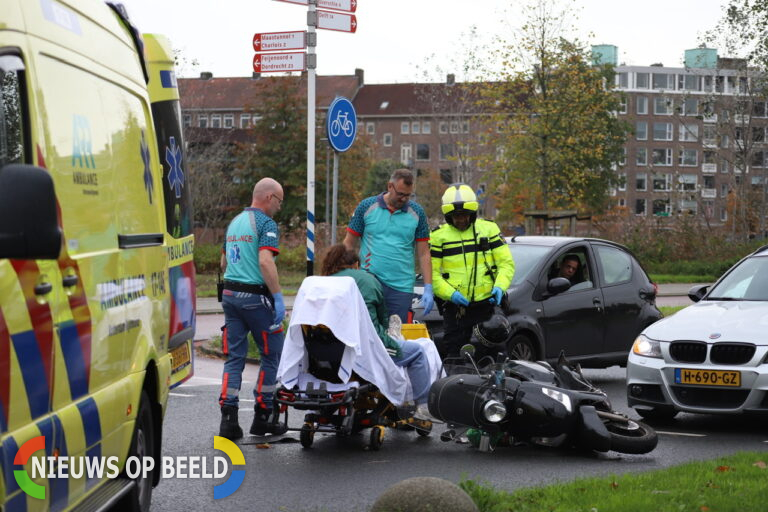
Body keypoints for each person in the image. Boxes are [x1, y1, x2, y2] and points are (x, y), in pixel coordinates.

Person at [320, 244, 436, 418]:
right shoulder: (366, 280)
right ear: (356, 265)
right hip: (363, 349)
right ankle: (423, 407)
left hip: (328, 350)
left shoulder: (323, 282)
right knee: (418, 352)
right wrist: (394, 345)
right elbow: (376, 330)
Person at [218, 177, 287, 440]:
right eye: (279, 201)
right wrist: (278, 297)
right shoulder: (266, 223)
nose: (279, 207)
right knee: (271, 355)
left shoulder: (234, 223)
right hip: (255, 299)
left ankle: (229, 419)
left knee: (234, 358)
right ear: (269, 197)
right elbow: (265, 261)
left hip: (230, 296)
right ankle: (263, 417)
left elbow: (224, 262)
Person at [430, 184, 515, 358]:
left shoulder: (489, 230)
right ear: (448, 216)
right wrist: (450, 294)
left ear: (473, 213)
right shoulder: (438, 237)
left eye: (465, 215)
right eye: (456, 216)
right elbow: (432, 274)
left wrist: (500, 286)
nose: (461, 220)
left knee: (497, 355)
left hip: (487, 307)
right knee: (455, 356)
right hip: (456, 310)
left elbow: (506, 264)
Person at [343, 168, 434, 323]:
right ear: (390, 186)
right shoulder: (366, 207)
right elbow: (348, 245)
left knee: (396, 337)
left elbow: (424, 253)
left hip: (401, 287)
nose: (404, 199)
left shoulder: (417, 213)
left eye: (408, 195)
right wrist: (346, 275)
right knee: (368, 332)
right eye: (400, 194)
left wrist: (428, 287)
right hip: (369, 281)